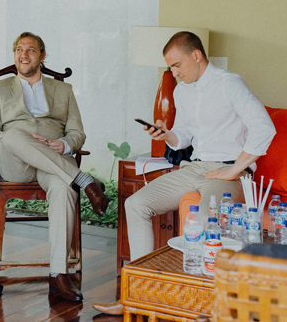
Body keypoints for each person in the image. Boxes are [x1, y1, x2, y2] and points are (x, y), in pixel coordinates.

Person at [93, 31, 276, 316]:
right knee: (136, 204)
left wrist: (235, 169)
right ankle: (140, 296)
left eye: (177, 65)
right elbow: (184, 137)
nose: (174, 73)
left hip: (228, 169)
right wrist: (166, 134)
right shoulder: (182, 91)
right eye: (170, 67)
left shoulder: (230, 83)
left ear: (197, 55)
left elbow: (264, 127)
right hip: (194, 167)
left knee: (201, 222)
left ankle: (199, 306)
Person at [0, 31, 109, 302]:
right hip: (15, 163)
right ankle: (85, 181)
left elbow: (77, 133)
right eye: (19, 49)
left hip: (54, 161)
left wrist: (65, 144)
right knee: (14, 135)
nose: (23, 54)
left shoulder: (63, 90)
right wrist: (22, 140)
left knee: (63, 189)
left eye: (30, 50)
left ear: (42, 55)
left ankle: (58, 275)